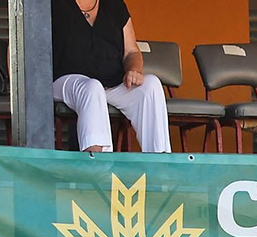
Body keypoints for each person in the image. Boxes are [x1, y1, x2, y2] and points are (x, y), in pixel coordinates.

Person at [49, 0, 170, 152]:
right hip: (65, 80)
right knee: (92, 88)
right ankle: (97, 161)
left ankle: (159, 159)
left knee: (151, 85)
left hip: (112, 83)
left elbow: (131, 51)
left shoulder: (115, 5)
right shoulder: (52, 4)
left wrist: (134, 69)